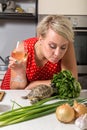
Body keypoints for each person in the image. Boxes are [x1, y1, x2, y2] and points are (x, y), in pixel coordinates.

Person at [1, 15, 78, 90]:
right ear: (40, 39)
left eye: (63, 47)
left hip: (42, 96)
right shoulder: (22, 50)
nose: (58, 53)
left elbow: (70, 81)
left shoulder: (65, 42)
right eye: (52, 46)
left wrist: (35, 84)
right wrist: (20, 73)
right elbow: (15, 89)